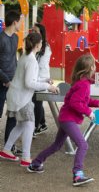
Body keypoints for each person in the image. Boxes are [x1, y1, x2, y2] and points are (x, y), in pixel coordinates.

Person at [27, 54, 99, 187]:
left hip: (65, 118)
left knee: (57, 145)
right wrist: (89, 112)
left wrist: (96, 103)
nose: (95, 67)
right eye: (94, 64)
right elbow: (76, 103)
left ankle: (35, 164)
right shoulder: (83, 85)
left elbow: (83, 100)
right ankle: (77, 174)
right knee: (83, 145)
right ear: (90, 68)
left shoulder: (82, 83)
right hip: (68, 119)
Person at [0, 33, 59, 167]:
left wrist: (44, 80)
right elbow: (29, 83)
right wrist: (48, 86)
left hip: (17, 96)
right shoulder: (31, 59)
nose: (42, 44)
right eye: (41, 42)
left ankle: (7, 150)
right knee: (29, 124)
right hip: (21, 98)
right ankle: (26, 158)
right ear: (37, 44)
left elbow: (29, 79)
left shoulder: (25, 56)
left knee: (21, 125)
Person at [0, 10, 22, 155]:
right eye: (20, 21)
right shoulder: (1, 38)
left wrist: (17, 76)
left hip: (12, 82)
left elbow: (13, 59)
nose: (21, 24)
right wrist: (6, 80)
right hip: (2, 82)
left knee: (13, 114)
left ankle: (9, 146)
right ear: (15, 22)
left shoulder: (15, 38)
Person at [32, 23, 52, 136]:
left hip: (41, 78)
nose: (33, 33)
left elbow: (41, 65)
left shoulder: (46, 47)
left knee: (37, 102)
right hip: (34, 78)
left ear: (41, 34)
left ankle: (34, 127)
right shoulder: (32, 45)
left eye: (36, 31)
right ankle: (42, 124)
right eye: (33, 31)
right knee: (35, 101)